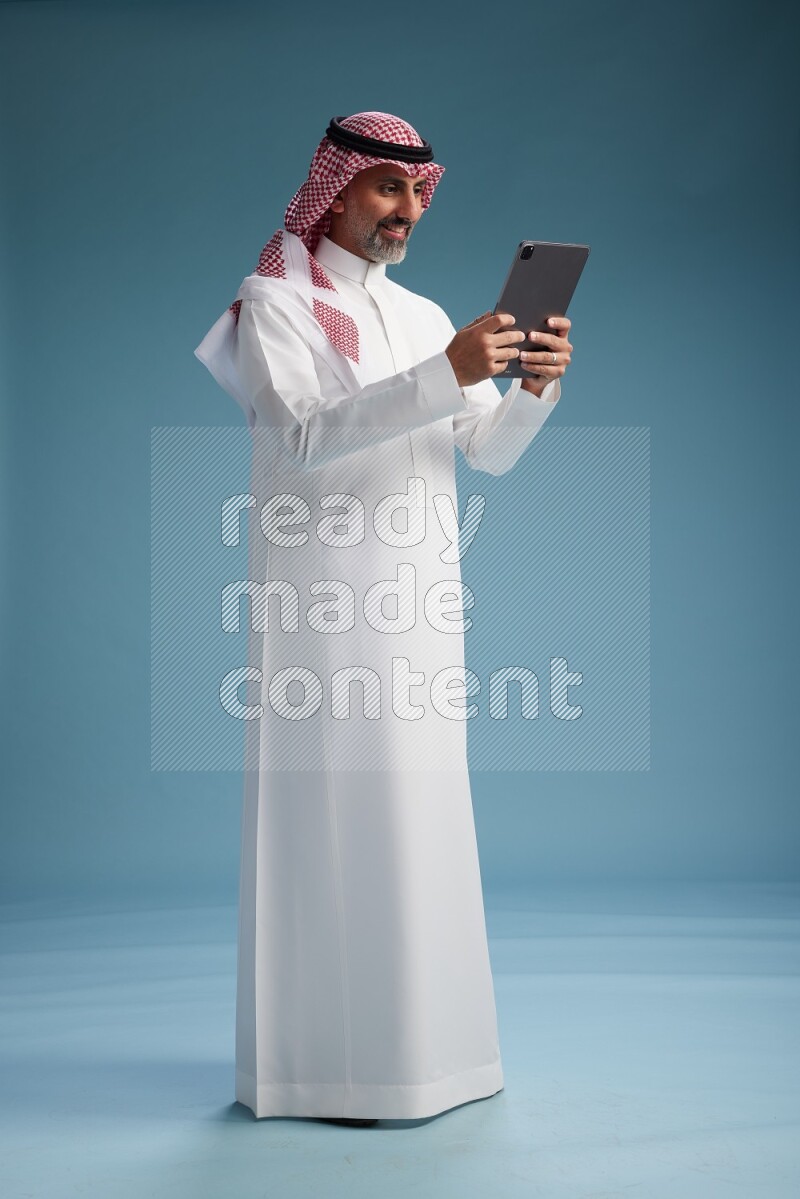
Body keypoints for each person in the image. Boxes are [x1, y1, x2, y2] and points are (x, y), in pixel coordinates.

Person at [194, 111, 574, 1127]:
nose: (405, 212)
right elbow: (302, 436)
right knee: (329, 822)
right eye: (384, 191)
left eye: (416, 194)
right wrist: (446, 371)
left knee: (418, 821)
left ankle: (431, 1060)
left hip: (415, 606)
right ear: (335, 188)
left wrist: (527, 391)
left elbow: (480, 450)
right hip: (320, 610)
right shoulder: (271, 301)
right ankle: (319, 1068)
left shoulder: (422, 313)